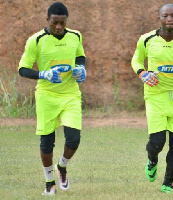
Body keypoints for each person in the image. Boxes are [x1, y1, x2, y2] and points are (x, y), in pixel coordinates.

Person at [18, 2, 86, 196]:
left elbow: (80, 56)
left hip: (70, 94)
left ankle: (62, 167)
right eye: (54, 22)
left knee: (74, 139)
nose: (58, 27)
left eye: (62, 23)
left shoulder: (75, 36)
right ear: (47, 20)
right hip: (46, 95)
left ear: (66, 21)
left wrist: (81, 68)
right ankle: (49, 181)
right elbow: (22, 69)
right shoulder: (36, 40)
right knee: (47, 142)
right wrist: (43, 75)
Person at [131, 4, 173, 193]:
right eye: (165, 16)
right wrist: (143, 73)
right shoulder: (146, 40)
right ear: (159, 18)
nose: (169, 19)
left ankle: (168, 183)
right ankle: (152, 159)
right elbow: (136, 60)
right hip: (156, 96)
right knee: (157, 143)